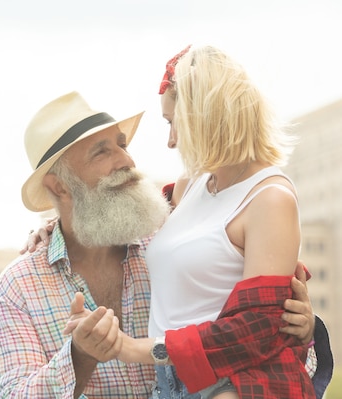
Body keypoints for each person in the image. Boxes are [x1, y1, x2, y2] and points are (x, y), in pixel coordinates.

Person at [0, 91, 316, 399]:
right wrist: (79, 356)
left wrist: (298, 329)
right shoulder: (17, 287)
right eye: (102, 152)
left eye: (122, 144)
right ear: (58, 186)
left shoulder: (169, 242)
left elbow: (251, 335)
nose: (126, 160)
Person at [63, 45, 331, 399]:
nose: (171, 141)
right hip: (170, 385)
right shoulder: (190, 187)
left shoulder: (270, 198)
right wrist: (57, 227)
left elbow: (255, 330)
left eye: (174, 123)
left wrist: (133, 349)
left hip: (234, 385)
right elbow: (118, 209)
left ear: (207, 117)